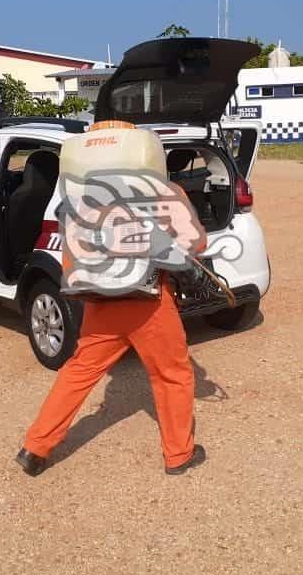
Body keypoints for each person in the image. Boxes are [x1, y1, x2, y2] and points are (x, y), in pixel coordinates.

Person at [15, 122, 207, 477]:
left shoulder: (76, 196)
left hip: (98, 302)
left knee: (78, 373)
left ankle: (35, 447)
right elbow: (196, 244)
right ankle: (179, 454)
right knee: (172, 375)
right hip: (148, 303)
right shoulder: (162, 191)